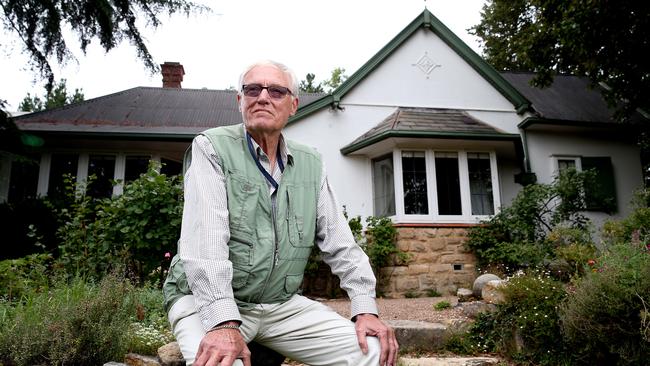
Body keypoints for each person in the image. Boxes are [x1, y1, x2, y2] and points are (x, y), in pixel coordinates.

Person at [163, 59, 398, 366]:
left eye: (275, 91)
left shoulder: (311, 163)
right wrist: (223, 323)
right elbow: (205, 245)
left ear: (293, 105)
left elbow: (341, 244)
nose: (262, 97)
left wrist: (365, 309)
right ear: (240, 101)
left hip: (280, 306)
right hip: (203, 302)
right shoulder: (211, 148)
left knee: (376, 352)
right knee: (220, 363)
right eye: (252, 90)